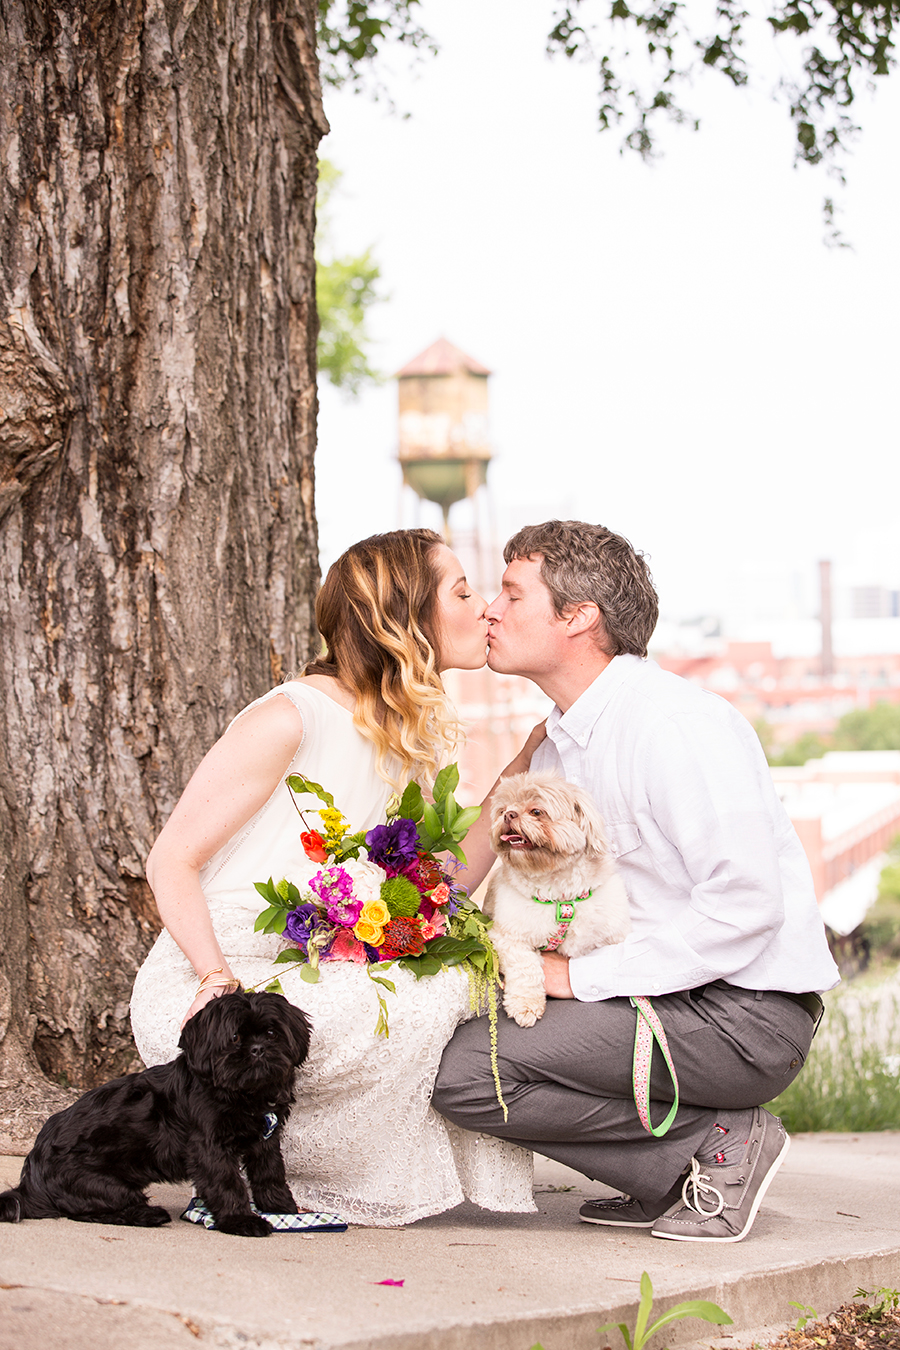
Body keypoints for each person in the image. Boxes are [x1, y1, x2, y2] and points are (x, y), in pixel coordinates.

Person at [433, 520, 840, 1243]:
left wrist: (576, 978)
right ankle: (678, 1171)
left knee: (472, 1071)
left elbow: (746, 907)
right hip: (660, 997)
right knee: (452, 1046)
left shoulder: (674, 725)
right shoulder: (560, 746)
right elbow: (490, 880)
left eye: (512, 594)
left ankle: (717, 1146)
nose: (489, 610)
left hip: (744, 1016)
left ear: (579, 617)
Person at [130, 529, 536, 1227]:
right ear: (400, 616)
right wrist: (215, 979)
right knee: (424, 995)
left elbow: (443, 885)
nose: (486, 608)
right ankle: (249, 1166)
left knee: (463, 979)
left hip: (324, 965)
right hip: (225, 980)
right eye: (464, 592)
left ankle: (286, 1167)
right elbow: (171, 858)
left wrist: (517, 774)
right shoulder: (292, 716)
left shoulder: (411, 736)